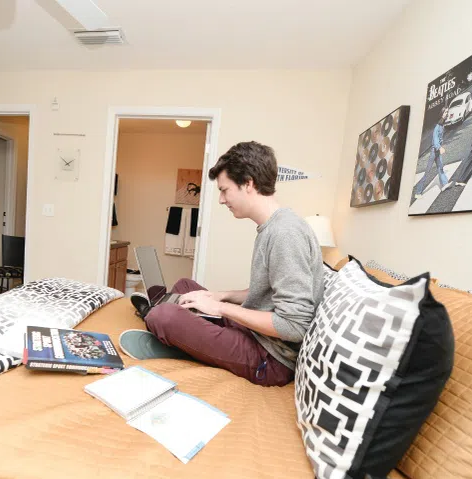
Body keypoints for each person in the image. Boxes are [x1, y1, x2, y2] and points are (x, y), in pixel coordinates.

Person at [123, 141, 324, 387]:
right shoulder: (272, 227)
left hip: (270, 359)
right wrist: (220, 296)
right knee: (186, 286)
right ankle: (178, 330)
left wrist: (221, 309)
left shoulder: (285, 233)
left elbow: (294, 325)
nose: (221, 199)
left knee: (163, 315)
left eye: (224, 190)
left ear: (248, 183)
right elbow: (270, 291)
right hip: (253, 334)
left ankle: (171, 334)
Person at [414, 108, 452, 199]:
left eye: (447, 112)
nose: (447, 113)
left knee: (440, 167)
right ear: (441, 114)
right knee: (427, 172)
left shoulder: (442, 125)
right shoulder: (438, 126)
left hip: (437, 151)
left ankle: (444, 184)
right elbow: (435, 140)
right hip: (434, 152)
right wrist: (440, 147)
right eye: (445, 112)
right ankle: (418, 192)